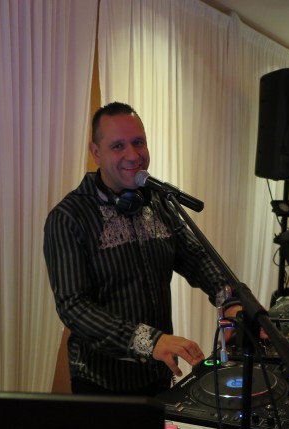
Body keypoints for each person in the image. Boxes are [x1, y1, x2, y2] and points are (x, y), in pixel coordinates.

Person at [43, 102, 237, 396]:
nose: (133, 155)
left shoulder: (157, 202)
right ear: (96, 152)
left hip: (159, 375)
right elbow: (74, 307)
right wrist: (151, 341)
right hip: (103, 386)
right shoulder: (68, 217)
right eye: (118, 146)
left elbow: (196, 258)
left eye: (138, 142)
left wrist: (230, 299)